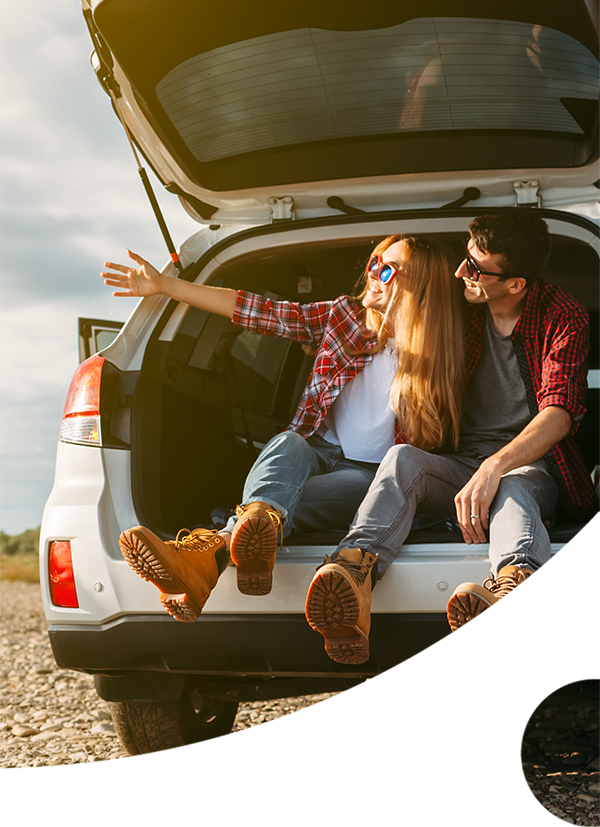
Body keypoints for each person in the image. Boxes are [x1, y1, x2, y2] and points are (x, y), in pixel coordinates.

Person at [101, 235, 465, 625]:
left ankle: (208, 558)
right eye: (374, 262)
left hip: (372, 478)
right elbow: (259, 312)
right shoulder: (344, 318)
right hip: (318, 451)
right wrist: (164, 285)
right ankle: (239, 540)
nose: (373, 274)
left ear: (422, 284)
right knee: (287, 443)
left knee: (283, 501)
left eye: (387, 269)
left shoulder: (448, 348)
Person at [305, 209, 598, 665]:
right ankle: (354, 573)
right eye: (465, 258)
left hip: (533, 465)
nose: (461, 272)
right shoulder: (461, 308)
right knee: (403, 457)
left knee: (514, 487)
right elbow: (399, 309)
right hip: (460, 464)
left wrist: (494, 466)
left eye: (476, 268)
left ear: (515, 284)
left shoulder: (563, 316)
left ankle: (512, 593)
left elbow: (558, 414)